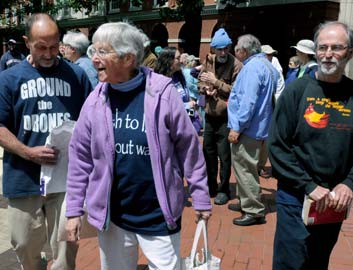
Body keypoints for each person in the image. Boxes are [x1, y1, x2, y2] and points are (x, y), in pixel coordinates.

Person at [65, 22, 212, 270]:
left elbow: (189, 149)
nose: (94, 60)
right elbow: (80, 157)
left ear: (128, 59)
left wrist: (200, 197)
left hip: (158, 216)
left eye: (103, 52)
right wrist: (73, 210)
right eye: (93, 51)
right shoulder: (96, 98)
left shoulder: (162, 93)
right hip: (114, 218)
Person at [0, 13, 92, 270]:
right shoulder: (9, 79)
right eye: (41, 46)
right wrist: (28, 152)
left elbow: (92, 120)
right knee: (23, 242)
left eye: (54, 46)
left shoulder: (76, 76)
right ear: (27, 41)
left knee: (67, 243)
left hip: (67, 177)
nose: (49, 53)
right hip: (23, 176)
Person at [268, 21, 353, 269]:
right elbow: (277, 147)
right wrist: (308, 185)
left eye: (336, 48)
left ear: (350, 52)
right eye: (322, 47)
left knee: (318, 262)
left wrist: (350, 183)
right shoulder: (296, 91)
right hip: (296, 197)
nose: (328, 54)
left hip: (333, 201)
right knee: (291, 263)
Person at [227, 34, 278, 226]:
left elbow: (248, 102)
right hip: (262, 127)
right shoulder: (267, 65)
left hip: (249, 129)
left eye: (237, 49)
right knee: (247, 168)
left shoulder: (252, 68)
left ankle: (254, 210)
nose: (235, 52)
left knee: (245, 168)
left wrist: (237, 127)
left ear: (245, 51)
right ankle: (245, 201)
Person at [192, 27, 242, 205]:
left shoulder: (236, 65)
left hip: (226, 117)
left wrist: (216, 83)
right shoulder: (209, 60)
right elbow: (199, 81)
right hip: (210, 115)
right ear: (213, 48)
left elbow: (236, 91)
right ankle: (211, 185)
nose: (222, 52)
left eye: (226, 48)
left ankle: (224, 189)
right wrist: (204, 89)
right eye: (219, 49)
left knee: (224, 155)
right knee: (208, 152)